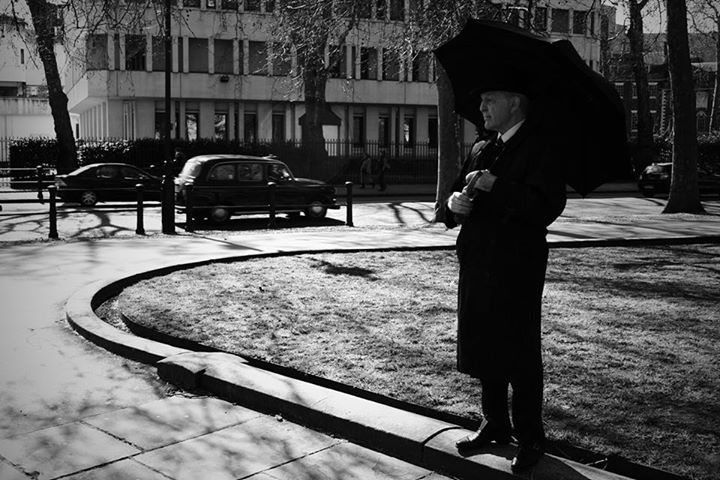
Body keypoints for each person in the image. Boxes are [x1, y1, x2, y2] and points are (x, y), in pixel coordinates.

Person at [441, 76, 567, 471]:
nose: (481, 108)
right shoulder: (482, 146)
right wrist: (452, 204)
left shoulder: (541, 147)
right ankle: (495, 422)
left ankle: (530, 437)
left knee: (519, 350)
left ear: (515, 103)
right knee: (483, 342)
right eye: (481, 101)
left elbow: (546, 207)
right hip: (477, 260)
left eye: (489, 100)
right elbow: (454, 200)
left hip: (517, 263)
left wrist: (499, 186)